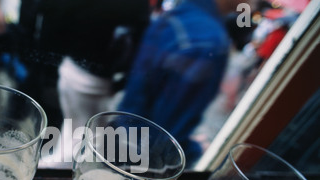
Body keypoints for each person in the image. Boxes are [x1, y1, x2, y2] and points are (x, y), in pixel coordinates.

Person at [117, 0, 256, 166]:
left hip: (124, 139)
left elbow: (141, 95)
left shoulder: (180, 14)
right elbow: (161, 141)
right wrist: (197, 150)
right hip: (139, 162)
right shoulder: (209, 41)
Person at [37, 0, 150, 161]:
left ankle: (52, 168)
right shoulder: (135, 6)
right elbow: (140, 41)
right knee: (85, 142)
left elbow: (53, 23)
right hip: (94, 81)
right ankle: (54, 170)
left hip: (72, 70)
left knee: (74, 133)